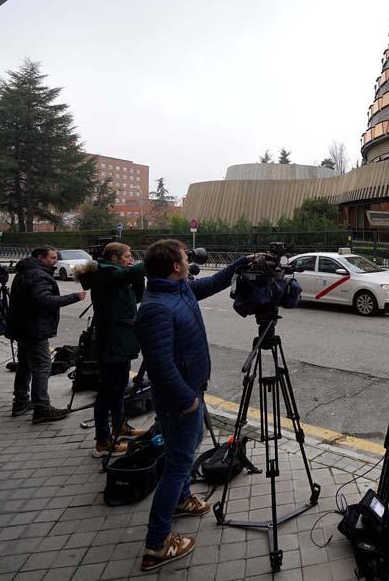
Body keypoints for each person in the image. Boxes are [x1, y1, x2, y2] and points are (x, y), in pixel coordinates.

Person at [134, 240, 258, 571]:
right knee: (177, 464)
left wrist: (240, 262)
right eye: (185, 257)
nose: (190, 260)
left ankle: (181, 501)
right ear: (175, 266)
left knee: (185, 455)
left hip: (192, 391)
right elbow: (159, 366)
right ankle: (156, 545)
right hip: (181, 399)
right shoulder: (156, 306)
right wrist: (187, 400)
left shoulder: (178, 290)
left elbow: (212, 284)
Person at [79, 242, 147, 457]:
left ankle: (119, 426)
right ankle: (102, 442)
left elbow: (136, 297)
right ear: (115, 258)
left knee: (119, 387)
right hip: (112, 341)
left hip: (122, 339)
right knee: (108, 392)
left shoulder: (117, 275)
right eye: (127, 255)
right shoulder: (105, 273)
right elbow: (131, 273)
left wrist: (137, 279)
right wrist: (157, 256)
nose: (130, 259)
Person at [7, 247, 86, 422]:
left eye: (56, 258)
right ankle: (41, 407)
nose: (55, 261)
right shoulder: (38, 275)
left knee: (25, 365)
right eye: (52, 258)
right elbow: (44, 301)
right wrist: (74, 297)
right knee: (42, 366)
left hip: (22, 327)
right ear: (40, 257)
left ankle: (20, 402)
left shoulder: (26, 271)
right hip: (34, 329)